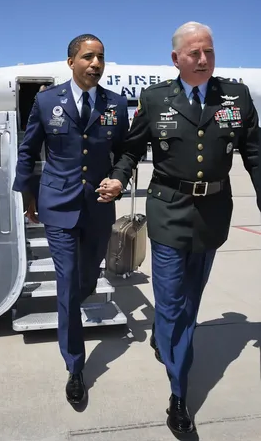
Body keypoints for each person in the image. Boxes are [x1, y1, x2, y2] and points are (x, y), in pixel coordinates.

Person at [96, 22, 260, 434]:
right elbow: (132, 147)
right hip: (168, 212)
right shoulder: (155, 99)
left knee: (190, 300)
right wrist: (119, 177)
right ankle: (179, 396)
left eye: (208, 51)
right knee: (172, 304)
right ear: (176, 59)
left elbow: (255, 152)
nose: (203, 59)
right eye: (194, 54)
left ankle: (164, 337)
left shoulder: (236, 97)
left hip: (212, 214)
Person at [12, 34, 129, 405]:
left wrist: (120, 177)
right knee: (66, 283)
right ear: (71, 62)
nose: (96, 63)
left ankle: (75, 300)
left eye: (101, 58)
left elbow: (125, 150)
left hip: (97, 206)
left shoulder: (116, 103)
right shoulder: (47, 101)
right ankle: (75, 366)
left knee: (86, 278)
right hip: (58, 204)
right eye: (88, 57)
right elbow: (28, 148)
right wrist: (27, 192)